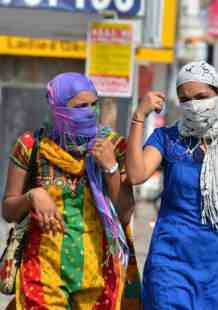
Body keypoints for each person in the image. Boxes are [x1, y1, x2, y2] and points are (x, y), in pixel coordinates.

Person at [126, 61, 218, 309]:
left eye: (202, 97)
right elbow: (136, 175)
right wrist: (138, 117)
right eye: (185, 99)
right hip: (170, 263)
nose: (194, 106)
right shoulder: (167, 139)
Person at [1, 73, 140, 309]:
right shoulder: (31, 146)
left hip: (98, 274)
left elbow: (125, 213)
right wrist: (32, 196)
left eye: (94, 104)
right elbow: (8, 210)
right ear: (57, 109)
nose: (90, 112)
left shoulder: (112, 146)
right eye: (80, 106)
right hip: (43, 273)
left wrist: (111, 167)